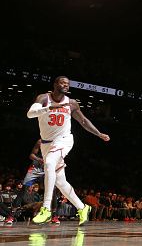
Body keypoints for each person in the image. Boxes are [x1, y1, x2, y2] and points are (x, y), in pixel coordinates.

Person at [27, 76, 110, 225]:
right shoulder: (43, 98)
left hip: (64, 140)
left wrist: (98, 133)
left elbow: (83, 121)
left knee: (50, 164)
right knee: (60, 181)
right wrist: (48, 108)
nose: (66, 85)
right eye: (62, 83)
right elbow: (30, 114)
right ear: (55, 84)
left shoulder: (71, 103)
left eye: (67, 84)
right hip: (46, 144)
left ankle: (45, 209)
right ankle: (82, 207)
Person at [21, 139, 61, 225]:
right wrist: (39, 159)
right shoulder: (40, 141)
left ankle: (54, 216)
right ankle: (11, 215)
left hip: (47, 169)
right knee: (24, 188)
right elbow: (31, 155)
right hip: (36, 168)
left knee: (52, 190)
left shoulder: (59, 142)